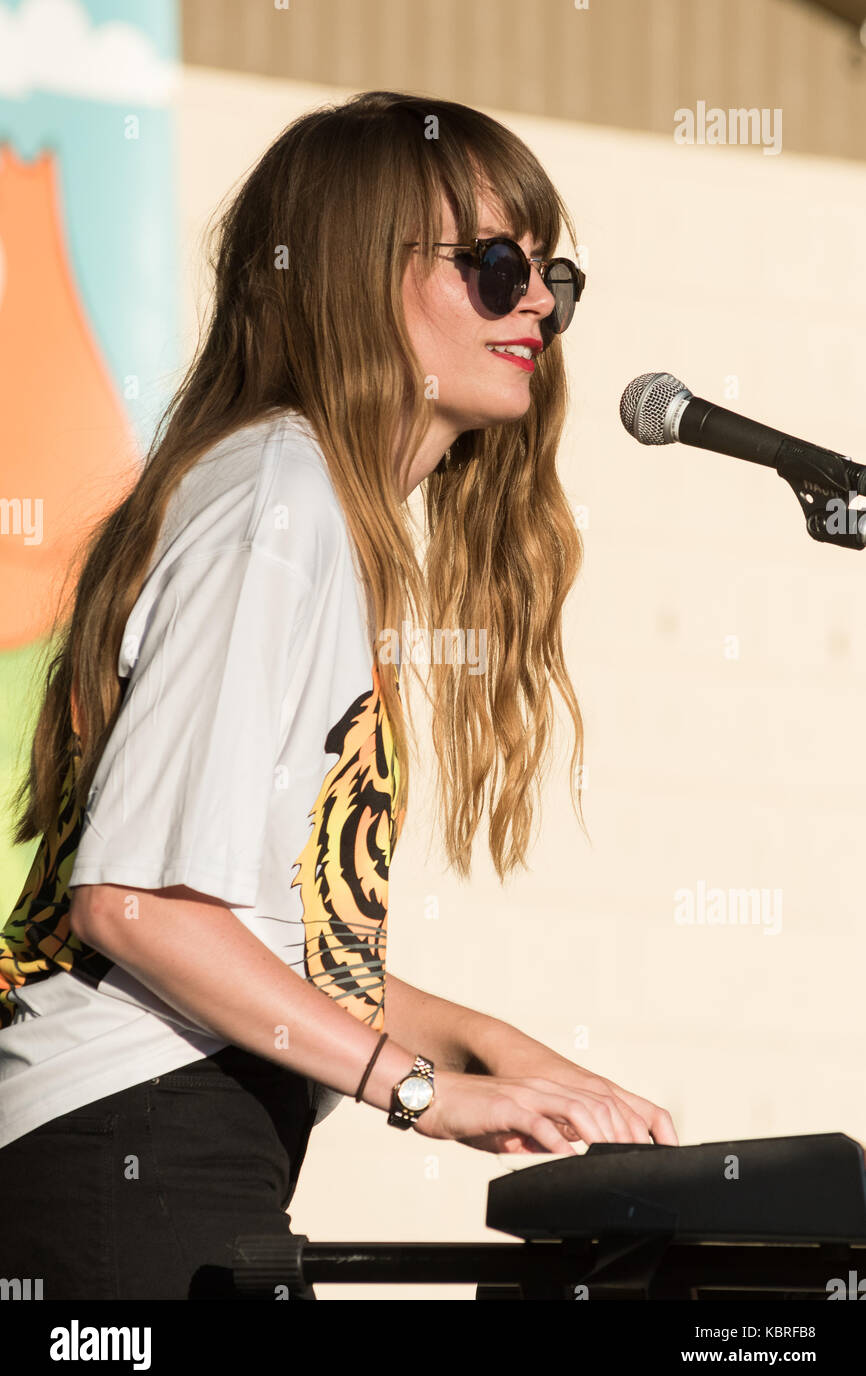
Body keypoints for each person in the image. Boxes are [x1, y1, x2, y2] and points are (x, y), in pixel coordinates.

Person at [0, 90, 677, 1301]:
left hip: (151, 1143)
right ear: (362, 276)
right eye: (493, 264)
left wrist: (475, 1038)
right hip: (128, 1144)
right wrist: (421, 1090)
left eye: (549, 277)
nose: (534, 304)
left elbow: (242, 921)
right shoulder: (282, 498)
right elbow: (134, 908)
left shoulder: (297, 501)